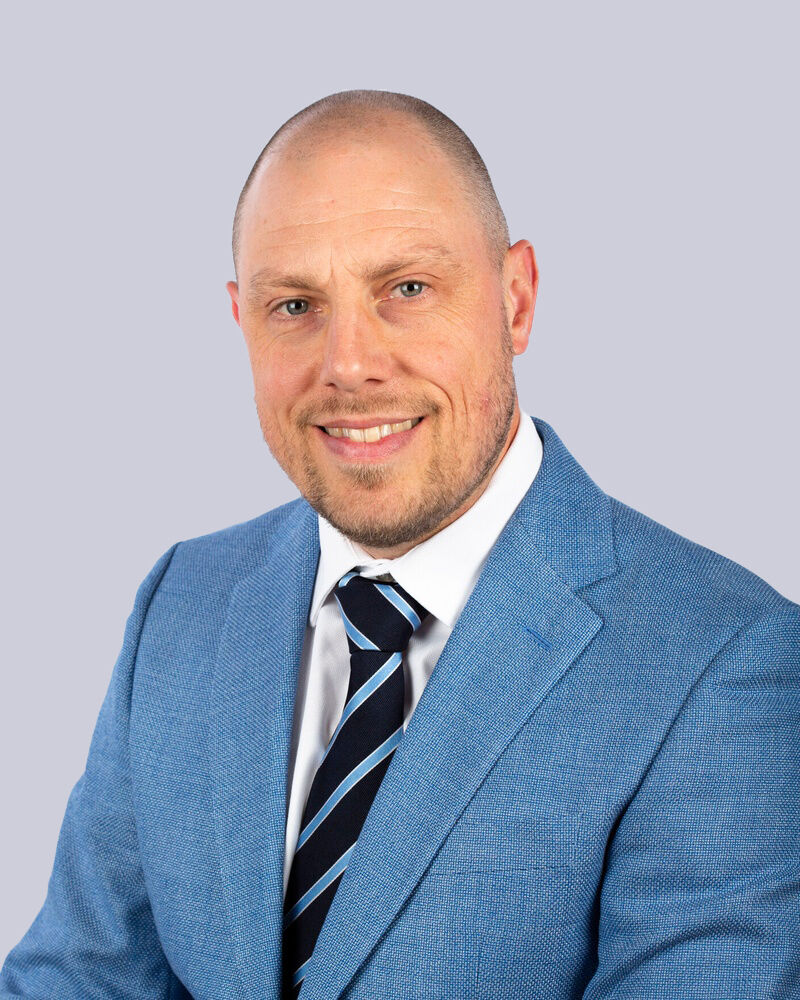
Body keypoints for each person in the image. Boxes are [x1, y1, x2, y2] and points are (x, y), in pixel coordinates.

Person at [2, 89, 798, 1000]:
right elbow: (77, 980)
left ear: (517, 300)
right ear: (239, 321)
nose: (348, 362)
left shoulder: (727, 666)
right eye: (294, 304)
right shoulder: (183, 601)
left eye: (407, 290)